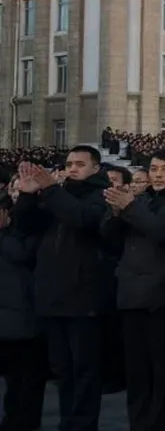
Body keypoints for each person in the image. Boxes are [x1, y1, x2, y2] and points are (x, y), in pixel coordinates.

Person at [15, 147, 112, 431]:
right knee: (62, 369)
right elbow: (26, 226)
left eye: (80, 164)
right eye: (69, 164)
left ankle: (82, 425)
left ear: (95, 168)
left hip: (85, 298)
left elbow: (81, 219)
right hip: (53, 295)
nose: (72, 169)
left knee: (85, 370)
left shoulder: (102, 195)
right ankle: (67, 423)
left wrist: (51, 189)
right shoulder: (56, 194)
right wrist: (28, 195)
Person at [100, 149, 165, 431]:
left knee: (164, 372)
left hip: (164, 298)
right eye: (153, 169)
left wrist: (129, 208)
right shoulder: (140, 200)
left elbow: (163, 232)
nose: (158, 175)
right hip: (131, 295)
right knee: (137, 373)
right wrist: (115, 214)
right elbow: (109, 240)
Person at [0, 184, 47, 431]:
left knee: (23, 381)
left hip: (22, 319)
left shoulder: (24, 235)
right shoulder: (16, 239)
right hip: (18, 320)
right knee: (21, 381)